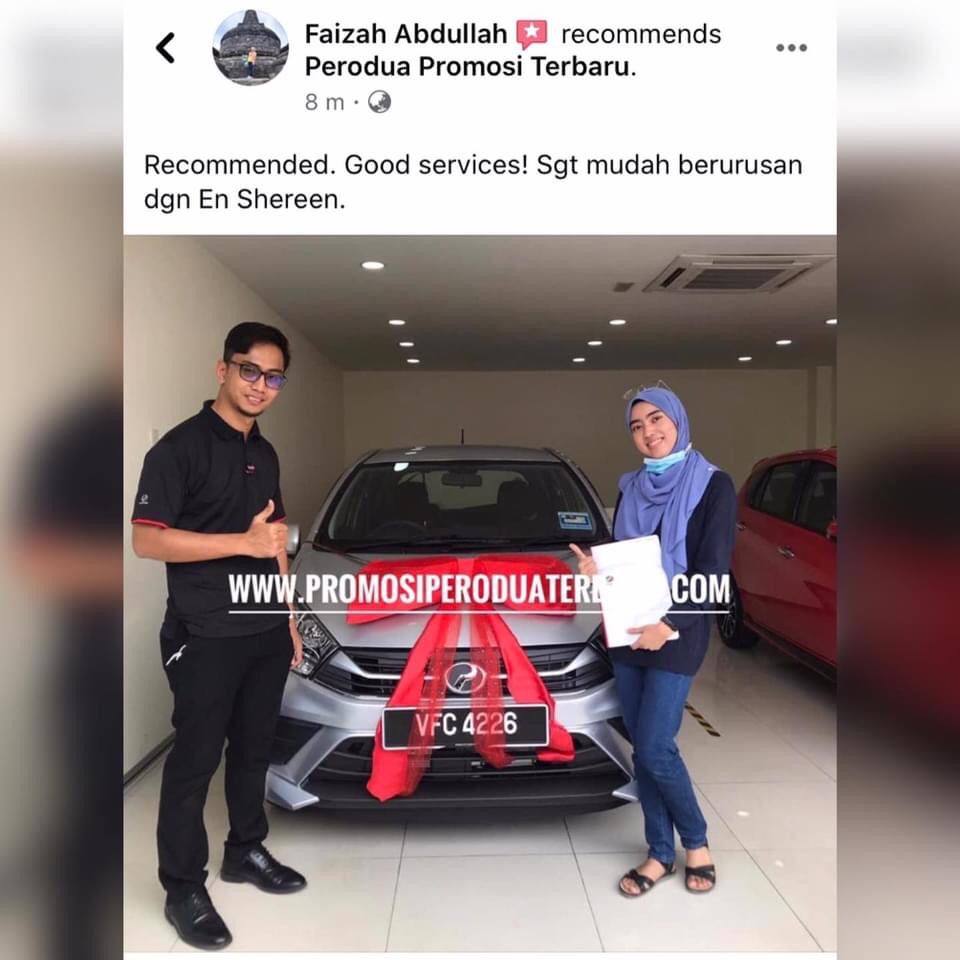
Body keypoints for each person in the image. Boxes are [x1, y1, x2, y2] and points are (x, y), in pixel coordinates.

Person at [131, 322, 306, 950]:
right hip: (204, 631)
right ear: (223, 370)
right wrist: (242, 543)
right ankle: (183, 888)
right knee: (195, 761)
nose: (260, 386)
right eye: (249, 370)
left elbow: (275, 537)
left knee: (254, 749)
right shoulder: (177, 449)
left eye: (273, 377)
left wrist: (289, 616)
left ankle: (245, 850)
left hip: (264, 628)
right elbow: (146, 540)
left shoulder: (267, 452)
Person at [570, 386, 735, 898]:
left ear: (678, 420)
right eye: (637, 426)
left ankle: (697, 842)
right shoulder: (632, 487)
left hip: (677, 630)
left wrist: (670, 622)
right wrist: (597, 567)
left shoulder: (714, 485)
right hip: (628, 627)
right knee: (642, 747)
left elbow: (712, 569)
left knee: (658, 746)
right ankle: (659, 852)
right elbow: (626, 555)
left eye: (656, 419)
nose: (648, 432)